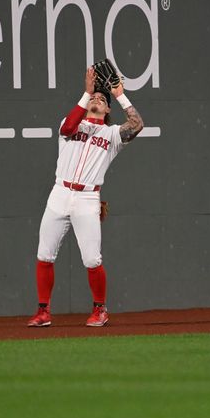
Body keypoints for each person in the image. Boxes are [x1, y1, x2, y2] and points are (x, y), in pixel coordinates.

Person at [27, 64, 144, 327]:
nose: (97, 100)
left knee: (92, 258)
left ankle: (100, 309)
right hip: (60, 192)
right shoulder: (69, 124)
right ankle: (43, 311)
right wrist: (86, 93)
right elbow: (68, 128)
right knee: (45, 255)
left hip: (87, 198)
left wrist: (120, 94)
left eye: (102, 100)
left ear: (108, 110)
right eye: (95, 97)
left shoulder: (112, 135)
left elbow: (137, 124)